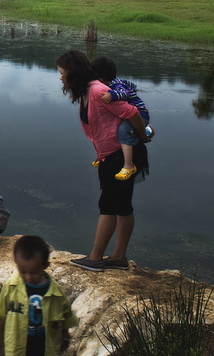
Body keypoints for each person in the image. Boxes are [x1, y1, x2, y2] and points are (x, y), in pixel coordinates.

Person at [56, 50, 148, 272]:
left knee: (109, 205)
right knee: (121, 206)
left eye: (61, 72)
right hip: (109, 154)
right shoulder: (88, 91)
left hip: (121, 154)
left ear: (73, 72)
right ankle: (118, 258)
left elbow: (132, 112)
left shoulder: (98, 91)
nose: (60, 77)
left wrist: (143, 136)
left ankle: (96, 258)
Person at [0, 235, 78, 356]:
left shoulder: (55, 293)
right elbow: (1, 312)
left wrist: (65, 336)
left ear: (45, 266)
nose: (28, 277)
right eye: (23, 271)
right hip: (18, 345)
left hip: (44, 345)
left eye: (34, 272)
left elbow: (65, 316)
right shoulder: (11, 287)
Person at [91, 56, 154, 181]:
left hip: (140, 114)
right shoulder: (112, 83)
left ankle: (128, 166)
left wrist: (112, 95)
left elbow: (125, 93)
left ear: (101, 77)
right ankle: (103, 157)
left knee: (123, 132)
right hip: (135, 116)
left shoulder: (115, 85)